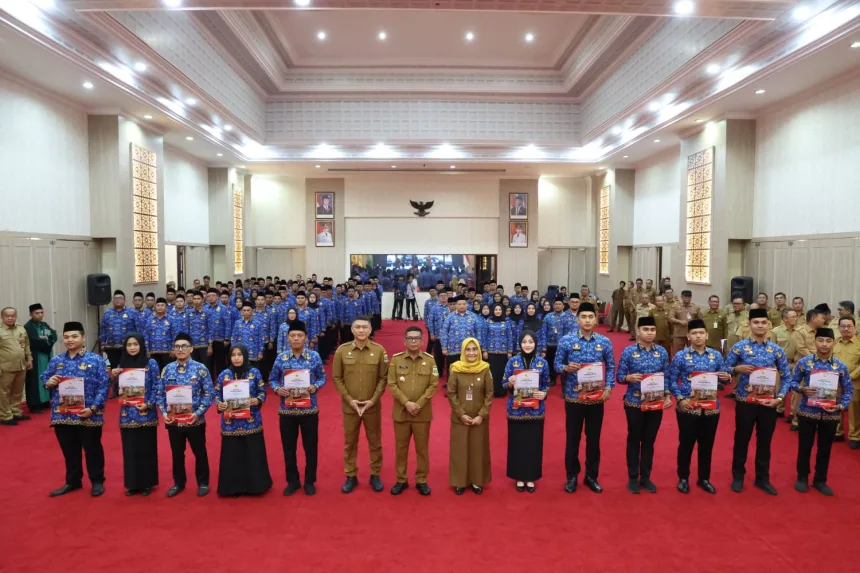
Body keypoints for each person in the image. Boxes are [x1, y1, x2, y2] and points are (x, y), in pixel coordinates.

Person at [724, 308, 791, 495]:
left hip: (768, 403)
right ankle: (738, 476)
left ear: (769, 325)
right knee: (742, 439)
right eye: (756, 322)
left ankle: (763, 478)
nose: (760, 326)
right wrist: (737, 368)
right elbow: (724, 371)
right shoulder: (740, 347)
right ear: (750, 324)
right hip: (746, 401)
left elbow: (787, 377)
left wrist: (779, 398)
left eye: (763, 322)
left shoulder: (776, 350)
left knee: (765, 441)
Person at [42, 322, 109, 497]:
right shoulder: (57, 360)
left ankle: (97, 480)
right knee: (69, 450)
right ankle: (73, 481)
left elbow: (104, 386)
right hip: (62, 415)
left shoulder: (95, 360)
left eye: (74, 336)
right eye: (66, 337)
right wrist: (48, 383)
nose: (70, 340)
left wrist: (93, 409)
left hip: (88, 414)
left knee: (92, 449)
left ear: (83, 337)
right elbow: (45, 377)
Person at [555, 302, 615, 494]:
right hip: (574, 398)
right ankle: (572, 476)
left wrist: (609, 387)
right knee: (573, 439)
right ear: (578, 319)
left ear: (596, 319)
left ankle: (591, 476)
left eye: (591, 317)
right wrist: (566, 368)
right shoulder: (566, 340)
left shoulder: (604, 342)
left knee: (594, 439)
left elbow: (612, 367)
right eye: (584, 317)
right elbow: (556, 364)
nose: (587, 321)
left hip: (596, 399)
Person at [667, 320, 731, 494]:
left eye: (701, 333)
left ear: (707, 335)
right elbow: (671, 379)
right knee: (686, 443)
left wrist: (727, 376)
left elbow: (724, 377)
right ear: (688, 336)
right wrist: (680, 399)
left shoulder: (716, 355)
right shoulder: (681, 356)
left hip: (711, 408)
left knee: (707, 445)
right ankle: (683, 478)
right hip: (688, 406)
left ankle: (704, 478)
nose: (698, 336)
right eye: (694, 333)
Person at [791, 328, 853, 496]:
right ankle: (802, 477)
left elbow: (848, 390)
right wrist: (802, 389)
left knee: (825, 449)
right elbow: (793, 382)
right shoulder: (804, 362)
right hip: (807, 411)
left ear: (833, 343)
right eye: (821, 340)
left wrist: (841, 406)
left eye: (828, 341)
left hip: (830, 413)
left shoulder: (840, 366)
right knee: (805, 447)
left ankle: (820, 480)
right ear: (815, 341)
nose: (824, 344)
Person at [332, 316, 389, 493]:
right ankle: (350, 475)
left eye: (365, 327)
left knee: (375, 441)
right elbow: (337, 377)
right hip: (350, 406)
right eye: (358, 327)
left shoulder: (379, 351)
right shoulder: (342, 351)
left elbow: (383, 378)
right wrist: (350, 399)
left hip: (372, 406)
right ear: (352, 330)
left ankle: (375, 475)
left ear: (371, 329)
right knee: (350, 442)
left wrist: (373, 400)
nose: (361, 330)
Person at [616, 316, 672, 494]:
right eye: (646, 329)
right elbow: (619, 376)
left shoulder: (662, 352)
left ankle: (646, 477)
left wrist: (668, 395)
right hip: (634, 401)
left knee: (649, 440)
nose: (649, 333)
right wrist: (628, 378)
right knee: (634, 439)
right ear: (638, 331)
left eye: (652, 330)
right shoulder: (629, 352)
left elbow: (667, 376)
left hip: (655, 402)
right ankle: (633, 477)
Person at [270, 321, 326, 496]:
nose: (296, 339)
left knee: (310, 447)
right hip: (287, 411)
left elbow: (322, 377)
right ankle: (292, 481)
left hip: (309, 409)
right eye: (293, 336)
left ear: (305, 338)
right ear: (288, 338)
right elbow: (272, 379)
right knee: (289, 448)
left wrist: (315, 387)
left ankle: (309, 481)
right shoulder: (281, 358)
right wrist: (278, 389)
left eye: (299, 336)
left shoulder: (314, 357)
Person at [156, 332, 215, 498]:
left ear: (191, 349)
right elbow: (160, 394)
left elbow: (209, 393)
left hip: (194, 420)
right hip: (174, 421)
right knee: (177, 453)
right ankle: (179, 483)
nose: (180, 349)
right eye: (177, 347)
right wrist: (164, 412)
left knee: (199, 452)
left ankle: (203, 483)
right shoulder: (167, 369)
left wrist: (198, 413)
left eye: (184, 346)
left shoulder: (200, 369)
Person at [214, 344, 272, 497]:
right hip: (230, 423)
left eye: (240, 354)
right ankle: (233, 487)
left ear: (245, 356)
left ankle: (256, 486)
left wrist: (257, 400)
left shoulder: (254, 372)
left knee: (252, 453)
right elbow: (216, 394)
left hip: (251, 420)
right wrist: (219, 404)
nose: (237, 358)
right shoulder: (224, 375)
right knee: (233, 454)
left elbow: (262, 391)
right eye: (233, 355)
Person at [388, 326, 439, 496]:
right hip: (401, 413)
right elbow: (392, 384)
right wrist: (406, 403)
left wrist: (419, 403)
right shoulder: (396, 360)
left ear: (422, 341)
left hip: (422, 413)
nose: (413, 341)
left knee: (422, 449)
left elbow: (433, 384)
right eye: (410, 338)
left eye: (417, 338)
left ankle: (421, 480)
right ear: (404, 341)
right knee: (401, 448)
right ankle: (401, 480)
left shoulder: (430, 360)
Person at [110, 333, 159, 496]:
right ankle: (132, 484)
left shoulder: (150, 363)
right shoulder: (122, 364)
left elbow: (157, 387)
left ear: (141, 345)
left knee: (146, 449)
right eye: (129, 345)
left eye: (135, 344)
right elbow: (118, 391)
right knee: (130, 450)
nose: (132, 348)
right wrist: (114, 377)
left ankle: (147, 483)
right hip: (127, 414)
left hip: (146, 413)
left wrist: (149, 404)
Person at [503, 330, 550, 492]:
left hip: (535, 411)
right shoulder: (513, 362)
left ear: (536, 344)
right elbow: (503, 383)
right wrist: (509, 382)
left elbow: (546, 384)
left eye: (531, 342)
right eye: (524, 342)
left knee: (533, 444)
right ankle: (518, 476)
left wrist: (544, 393)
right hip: (516, 410)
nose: (528, 345)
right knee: (517, 444)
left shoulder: (542, 363)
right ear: (520, 344)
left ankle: (531, 477)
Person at [447, 337, 494, 495]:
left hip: (479, 419)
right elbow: (451, 393)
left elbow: (489, 393)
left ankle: (476, 481)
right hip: (460, 418)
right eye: (468, 349)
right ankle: (460, 481)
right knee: (460, 450)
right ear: (463, 351)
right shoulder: (455, 368)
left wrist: (482, 415)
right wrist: (460, 414)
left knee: (477, 450)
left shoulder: (485, 368)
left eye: (475, 349)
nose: (472, 353)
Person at [0, 307, 32, 425]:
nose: (10, 318)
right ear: (2, 317)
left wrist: (29, 358)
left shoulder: (21, 329)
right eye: (7, 316)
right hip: (5, 367)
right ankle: (5, 415)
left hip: (21, 365)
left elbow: (27, 345)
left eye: (12, 315)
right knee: (3, 392)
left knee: (17, 391)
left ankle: (15, 411)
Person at [833, 316, 860, 449]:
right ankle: (837, 432)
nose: (846, 329)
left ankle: (855, 436)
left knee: (854, 410)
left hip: (854, 382)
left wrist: (850, 376)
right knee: (836, 406)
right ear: (839, 328)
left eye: (849, 326)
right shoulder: (834, 343)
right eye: (843, 326)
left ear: (854, 327)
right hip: (835, 381)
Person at [24, 303, 56, 413]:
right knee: (34, 380)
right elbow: (34, 340)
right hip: (35, 356)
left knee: (47, 376)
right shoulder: (28, 327)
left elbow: (52, 335)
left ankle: (45, 401)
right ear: (31, 314)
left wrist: (46, 340)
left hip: (46, 355)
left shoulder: (43, 325)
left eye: (41, 312)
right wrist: (45, 341)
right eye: (37, 313)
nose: (40, 315)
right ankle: (35, 404)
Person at [441, 295, 480, 373]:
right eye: (459, 304)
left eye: (463, 304)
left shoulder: (473, 316)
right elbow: (444, 332)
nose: (461, 306)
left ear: (467, 305)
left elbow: (478, 332)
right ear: (456, 305)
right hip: (453, 349)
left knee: (468, 371)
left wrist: (478, 347)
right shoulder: (450, 317)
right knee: (453, 371)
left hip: (469, 350)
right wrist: (444, 347)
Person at [483, 303, 513, 397]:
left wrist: (510, 351)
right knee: (492, 372)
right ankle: (492, 391)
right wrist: (484, 350)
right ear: (493, 311)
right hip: (491, 351)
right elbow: (484, 336)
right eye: (496, 309)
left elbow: (509, 337)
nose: (498, 311)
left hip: (503, 352)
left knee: (502, 372)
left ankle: (501, 391)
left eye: (500, 310)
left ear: (502, 311)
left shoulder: (506, 322)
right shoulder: (488, 321)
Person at [143, 297, 175, 369]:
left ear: (166, 307)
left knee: (167, 372)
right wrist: (146, 349)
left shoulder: (171, 319)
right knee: (155, 373)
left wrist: (174, 349)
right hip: (153, 352)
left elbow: (175, 335)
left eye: (162, 305)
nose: (160, 307)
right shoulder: (150, 319)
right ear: (155, 307)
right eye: (158, 305)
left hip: (168, 352)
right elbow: (146, 335)